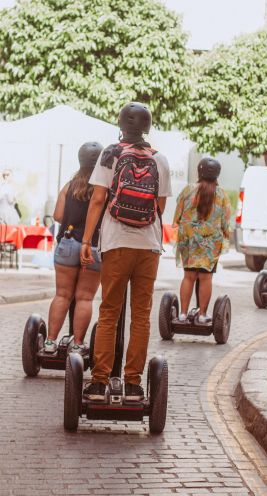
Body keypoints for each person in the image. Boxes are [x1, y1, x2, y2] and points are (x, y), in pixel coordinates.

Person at [80, 103, 172, 403]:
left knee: (109, 313)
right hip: (148, 246)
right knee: (141, 317)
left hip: (116, 242)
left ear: (121, 125)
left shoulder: (110, 154)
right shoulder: (160, 160)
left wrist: (85, 241)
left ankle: (99, 382)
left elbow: (97, 200)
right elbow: (159, 208)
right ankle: (133, 384)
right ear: (147, 128)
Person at [42, 142, 105, 355]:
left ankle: (50, 342)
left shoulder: (69, 186)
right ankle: (78, 344)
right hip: (94, 246)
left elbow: (58, 216)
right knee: (85, 298)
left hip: (68, 243)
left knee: (62, 294)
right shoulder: (103, 189)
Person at [172, 157, 231, 325]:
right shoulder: (221, 194)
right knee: (205, 278)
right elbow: (226, 223)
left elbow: (177, 217)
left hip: (189, 239)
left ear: (199, 171)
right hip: (211, 242)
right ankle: (202, 314)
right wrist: (224, 233)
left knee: (189, 276)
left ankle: (182, 314)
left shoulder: (188, 190)